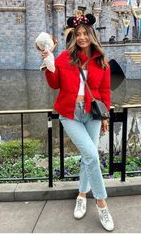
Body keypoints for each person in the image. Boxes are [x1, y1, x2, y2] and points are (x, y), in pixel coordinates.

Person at [40, 13, 114, 232]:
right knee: (92, 155)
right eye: (78, 34)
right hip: (70, 113)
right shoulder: (64, 57)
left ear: (91, 35)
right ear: (74, 37)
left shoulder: (101, 61)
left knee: (87, 157)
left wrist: (105, 116)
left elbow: (105, 91)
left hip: (92, 113)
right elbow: (54, 85)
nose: (82, 37)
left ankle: (82, 195)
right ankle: (102, 204)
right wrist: (48, 61)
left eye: (85, 34)